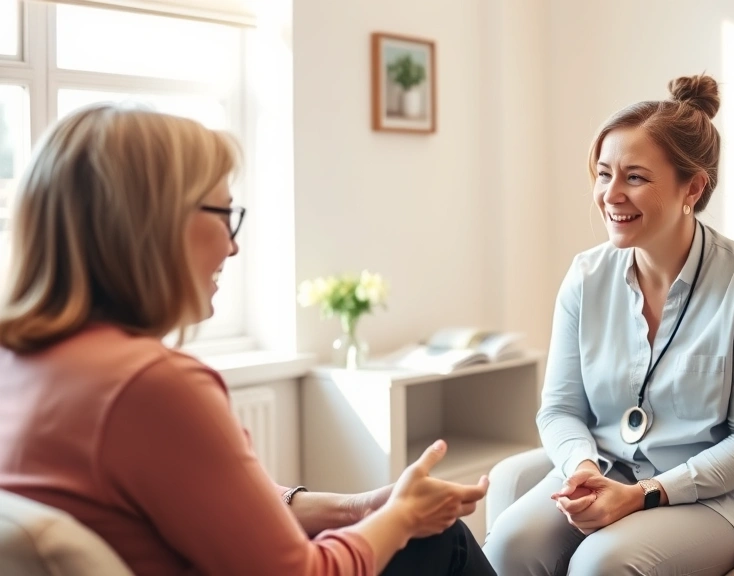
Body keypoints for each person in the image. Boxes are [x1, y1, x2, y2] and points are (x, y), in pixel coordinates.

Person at [0, 104, 496, 576]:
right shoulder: (148, 385)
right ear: (155, 224)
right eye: (225, 213)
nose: (233, 245)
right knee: (441, 537)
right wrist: (403, 516)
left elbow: (209, 503)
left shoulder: (23, 363)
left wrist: (358, 508)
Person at [483, 74, 734, 576]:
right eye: (603, 173)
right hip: (611, 470)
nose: (611, 194)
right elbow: (561, 409)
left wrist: (644, 495)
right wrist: (584, 469)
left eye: (634, 177)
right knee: (508, 545)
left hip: (722, 497)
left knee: (600, 566)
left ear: (692, 188)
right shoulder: (586, 278)